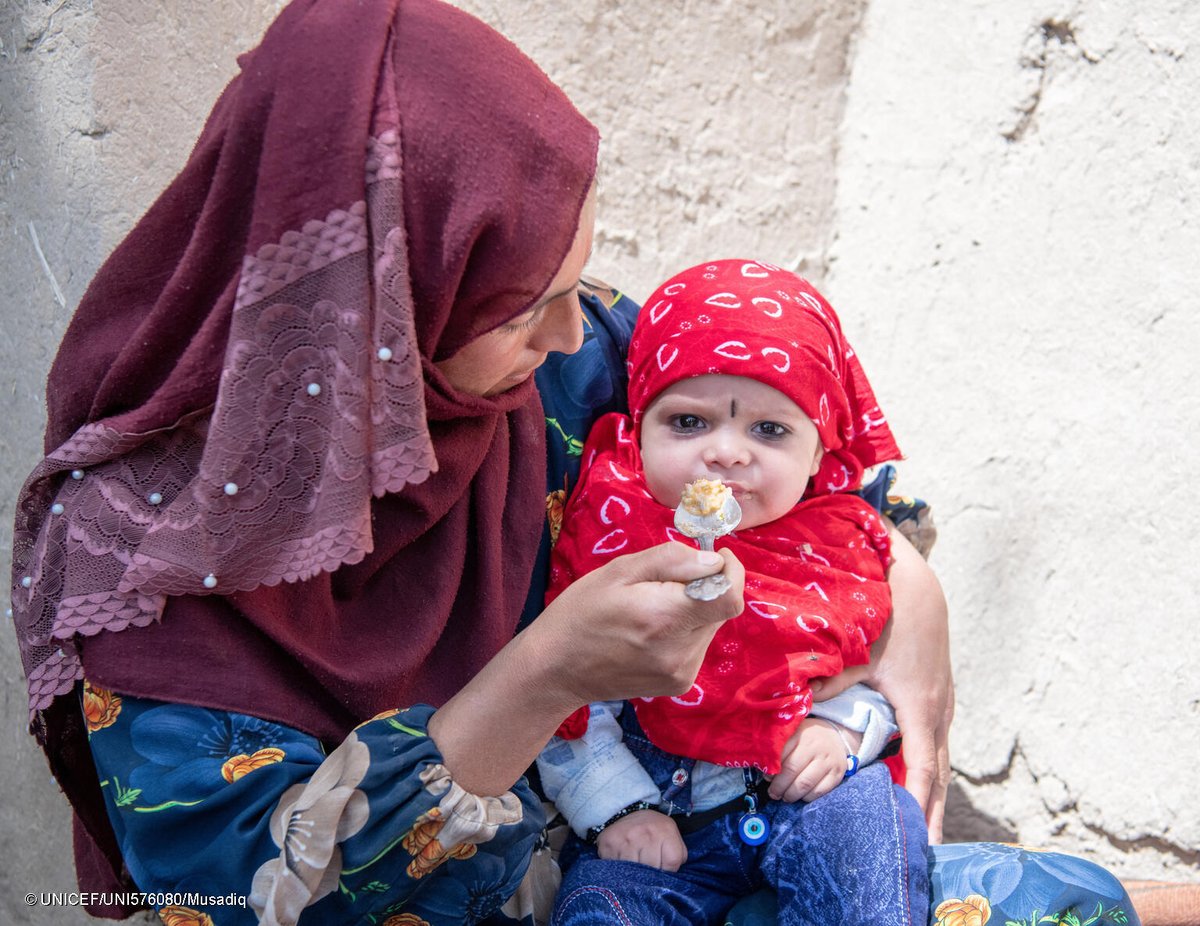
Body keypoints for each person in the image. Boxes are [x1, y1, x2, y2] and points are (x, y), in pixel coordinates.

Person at [6, 1, 1141, 925]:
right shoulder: (140, 555)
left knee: (1045, 903)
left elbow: (794, 450)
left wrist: (906, 579)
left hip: (671, 850)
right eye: (525, 303)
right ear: (379, 323)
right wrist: (541, 678)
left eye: (576, 279)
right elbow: (248, 898)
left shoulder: (547, 370)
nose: (575, 329)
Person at [538, 259, 928, 924]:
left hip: (797, 801)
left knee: (873, 818)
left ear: (817, 454)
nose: (726, 453)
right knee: (599, 897)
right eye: (688, 423)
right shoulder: (609, 533)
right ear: (639, 429)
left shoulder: (837, 543)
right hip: (666, 828)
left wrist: (839, 733)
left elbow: (869, 674)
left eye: (769, 430)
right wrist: (620, 808)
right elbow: (564, 700)